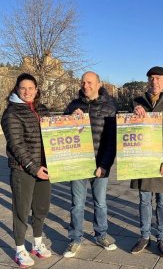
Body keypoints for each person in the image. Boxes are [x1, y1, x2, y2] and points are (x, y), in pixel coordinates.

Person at [130, 66, 163, 258]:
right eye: (151, 78)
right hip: (143, 160)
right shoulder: (138, 102)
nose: (155, 82)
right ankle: (144, 236)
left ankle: (161, 238)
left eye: (159, 78)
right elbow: (125, 125)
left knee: (162, 201)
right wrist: (132, 111)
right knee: (144, 199)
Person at [63, 71, 117, 258]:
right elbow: (61, 132)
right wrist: (70, 118)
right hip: (78, 163)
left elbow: (112, 141)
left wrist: (105, 165)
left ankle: (101, 234)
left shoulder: (109, 107)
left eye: (90, 82)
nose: (86, 85)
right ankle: (75, 238)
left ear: (99, 83)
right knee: (76, 204)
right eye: (83, 82)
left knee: (100, 203)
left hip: (100, 163)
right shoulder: (73, 105)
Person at [1, 73, 52, 268]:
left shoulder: (42, 109)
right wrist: (33, 167)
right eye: (23, 88)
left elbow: (56, 129)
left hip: (45, 169)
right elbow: (16, 145)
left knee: (41, 207)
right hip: (23, 170)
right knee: (21, 210)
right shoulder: (11, 113)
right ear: (17, 89)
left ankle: (37, 244)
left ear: (36, 89)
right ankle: (20, 249)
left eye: (31, 88)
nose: (27, 92)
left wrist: (75, 117)